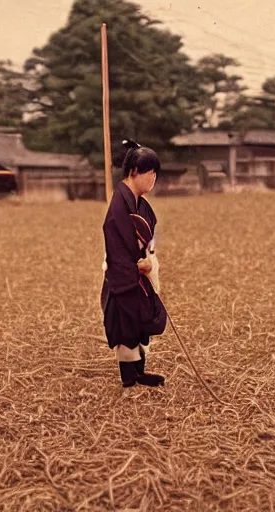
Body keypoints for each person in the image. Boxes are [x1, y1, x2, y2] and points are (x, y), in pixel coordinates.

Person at [100, 139, 168, 388]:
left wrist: (149, 257)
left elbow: (149, 235)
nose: (153, 180)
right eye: (150, 174)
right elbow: (116, 250)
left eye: (156, 175)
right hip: (125, 276)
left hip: (140, 271)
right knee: (125, 324)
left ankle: (139, 372)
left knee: (140, 321)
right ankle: (129, 377)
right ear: (134, 172)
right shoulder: (118, 207)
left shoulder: (140, 204)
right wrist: (136, 268)